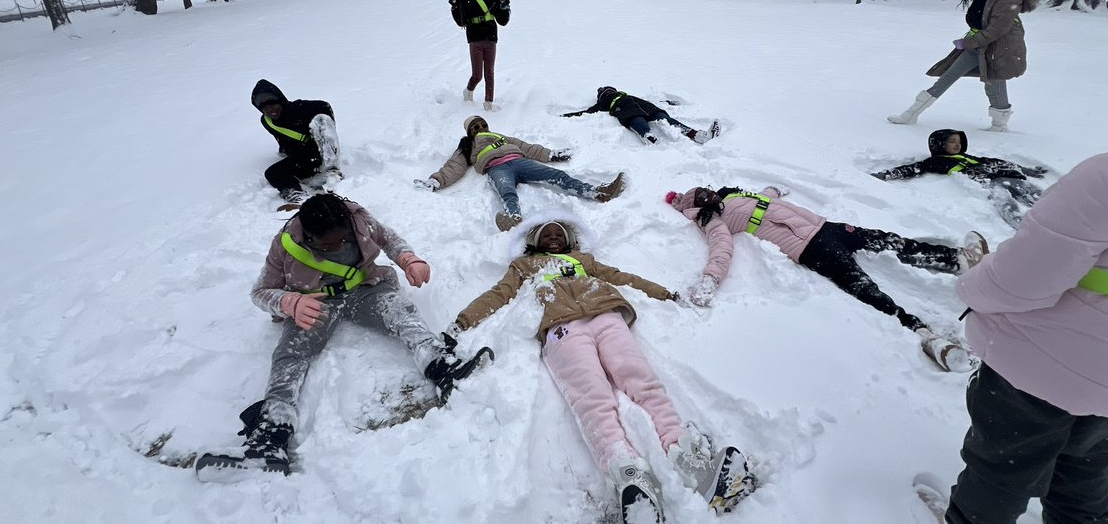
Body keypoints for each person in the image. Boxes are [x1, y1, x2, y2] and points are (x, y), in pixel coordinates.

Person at [929, 14, 1108, 524]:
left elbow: (1023, 281)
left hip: (1042, 364)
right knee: (1084, 458)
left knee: (1002, 464)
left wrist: (972, 286)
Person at [446, 219, 757, 520]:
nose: (553, 237)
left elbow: (622, 278)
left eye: (558, 233)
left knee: (643, 382)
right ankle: (626, 473)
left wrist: (663, 292)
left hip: (606, 315)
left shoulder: (584, 261)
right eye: (546, 234)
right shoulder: (523, 266)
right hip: (561, 328)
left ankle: (688, 457)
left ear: (569, 240)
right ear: (534, 242)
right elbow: (498, 294)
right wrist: (462, 322)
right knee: (592, 399)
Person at [199, 194, 491, 477]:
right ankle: (271, 434)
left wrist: (409, 259)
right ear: (309, 236)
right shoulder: (285, 244)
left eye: (342, 239)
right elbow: (260, 292)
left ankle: (440, 365)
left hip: (365, 288)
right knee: (290, 354)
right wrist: (290, 302)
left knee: (401, 312)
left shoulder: (358, 219)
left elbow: (389, 239)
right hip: (315, 302)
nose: (338, 245)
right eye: (328, 244)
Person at [668, 185, 989, 371]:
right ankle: (925, 335)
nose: (708, 195)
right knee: (864, 288)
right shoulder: (713, 220)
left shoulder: (734, 197)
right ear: (695, 207)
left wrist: (773, 190)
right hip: (809, 247)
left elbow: (765, 198)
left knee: (887, 240)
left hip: (826, 227)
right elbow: (721, 249)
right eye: (700, 197)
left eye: (706, 190)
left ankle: (956, 259)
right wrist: (710, 279)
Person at [887, 0, 1040, 131]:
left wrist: (966, 43)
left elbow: (996, 30)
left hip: (998, 50)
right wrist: (969, 42)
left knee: (994, 85)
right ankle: (911, 114)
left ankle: (999, 125)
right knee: (947, 78)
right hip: (977, 47)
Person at [414, 115, 626, 231]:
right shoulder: (468, 145)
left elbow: (526, 147)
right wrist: (436, 181)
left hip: (519, 161)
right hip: (496, 168)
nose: (480, 128)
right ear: (469, 132)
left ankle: (598, 192)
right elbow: (455, 165)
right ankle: (513, 218)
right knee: (507, 191)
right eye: (475, 127)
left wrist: (552, 155)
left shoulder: (501, 137)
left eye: (483, 124)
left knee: (557, 176)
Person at [871, 128, 1046, 228]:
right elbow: (911, 169)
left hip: (1003, 177)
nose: (957, 144)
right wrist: (886, 174)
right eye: (952, 141)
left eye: (959, 141)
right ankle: (1022, 226)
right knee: (1005, 201)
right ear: (939, 145)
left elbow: (995, 162)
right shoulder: (936, 161)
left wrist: (1026, 170)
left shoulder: (968, 157)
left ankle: (1053, 210)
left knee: (1034, 193)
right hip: (988, 184)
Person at [251, 79, 342, 207]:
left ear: (281, 100)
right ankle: (298, 197)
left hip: (321, 152)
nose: (271, 110)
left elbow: (324, 106)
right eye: (265, 108)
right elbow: (281, 138)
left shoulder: (300, 108)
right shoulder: (267, 121)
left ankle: (333, 173)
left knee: (321, 119)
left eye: (273, 105)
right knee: (272, 173)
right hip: (304, 159)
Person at [562, 86, 721, 145]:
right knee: (636, 120)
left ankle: (697, 135)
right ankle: (648, 137)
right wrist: (567, 116)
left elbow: (652, 100)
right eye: (606, 92)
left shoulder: (627, 95)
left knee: (667, 120)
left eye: (610, 90)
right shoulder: (603, 103)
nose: (609, 93)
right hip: (626, 110)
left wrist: (668, 103)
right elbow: (588, 112)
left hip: (648, 108)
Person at [449, 0, 510, 111]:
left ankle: (488, 103)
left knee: (489, 73)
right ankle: (469, 91)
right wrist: (456, 4)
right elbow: (460, 20)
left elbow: (503, 21)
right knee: (477, 75)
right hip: (474, 37)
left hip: (490, 37)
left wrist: (503, 5)